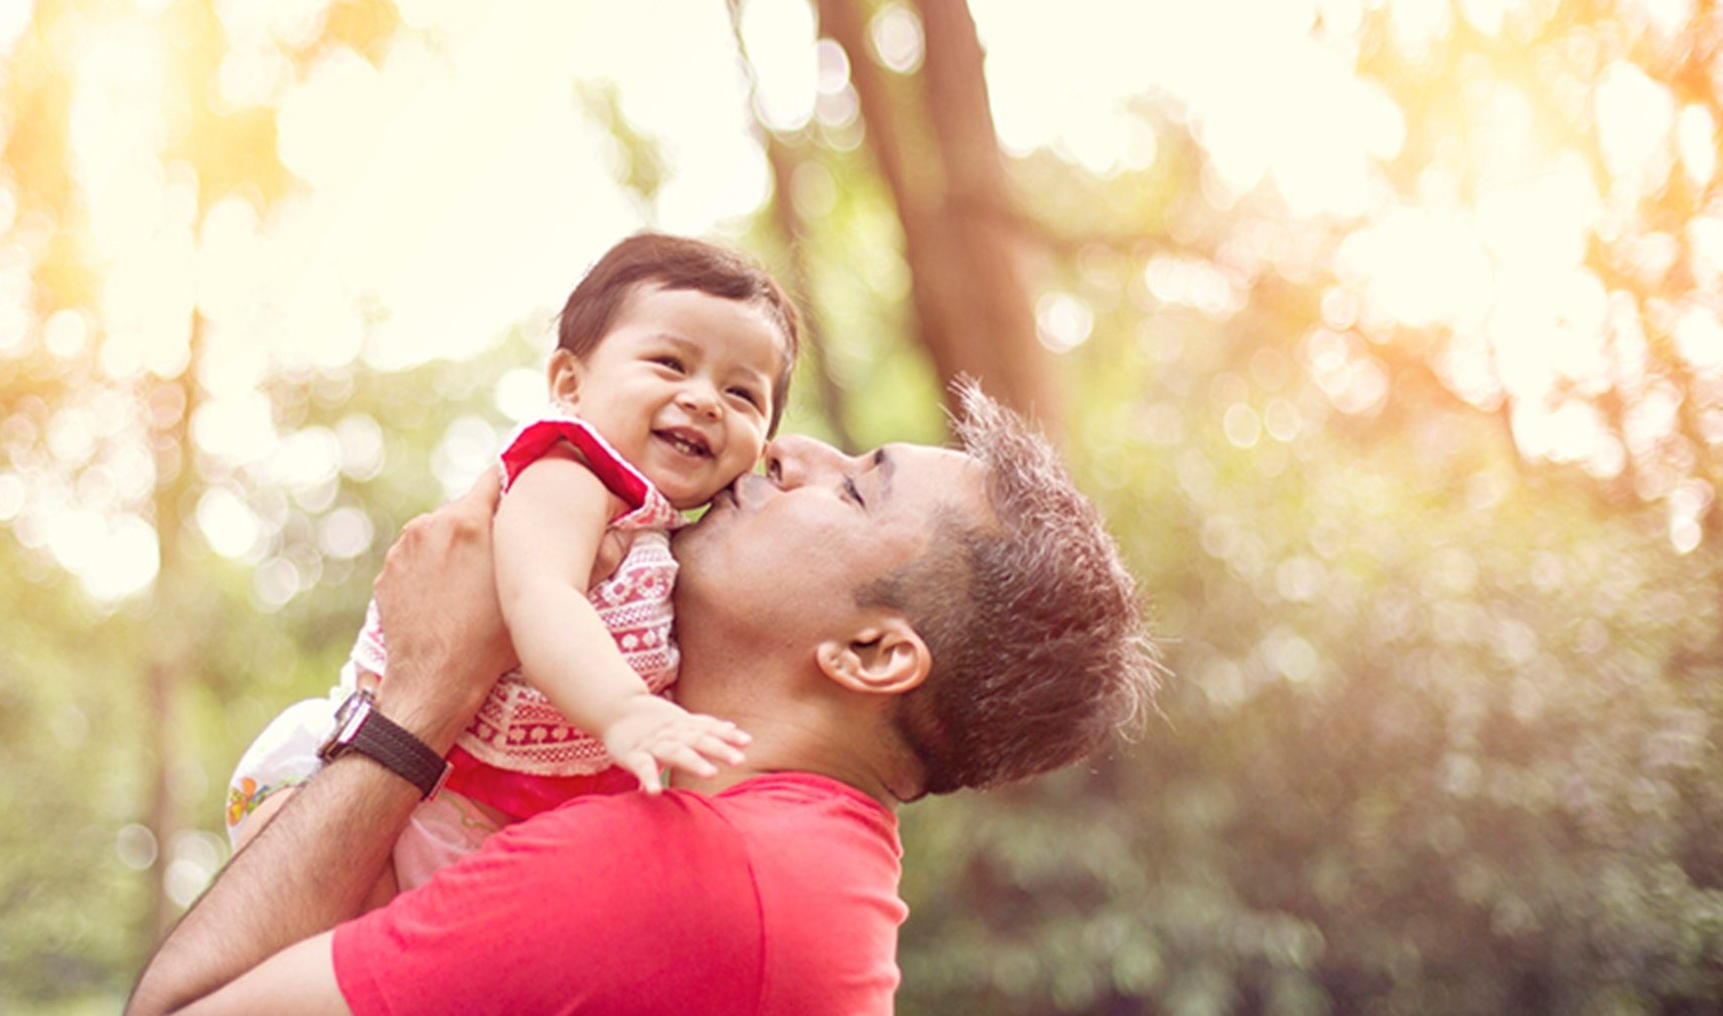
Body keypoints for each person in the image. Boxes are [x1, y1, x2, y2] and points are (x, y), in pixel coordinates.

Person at [126, 380, 1161, 1016]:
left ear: (871, 652)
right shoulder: (796, 863)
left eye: (852, 486)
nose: (786, 448)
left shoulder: (694, 873)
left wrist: (423, 696)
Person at [223, 233, 802, 898]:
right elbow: (542, 594)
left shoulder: (675, 543)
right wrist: (625, 711)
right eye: (670, 364)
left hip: (493, 822)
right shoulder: (571, 474)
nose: (704, 400)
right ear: (570, 384)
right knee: (327, 912)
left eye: (742, 393)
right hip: (397, 786)